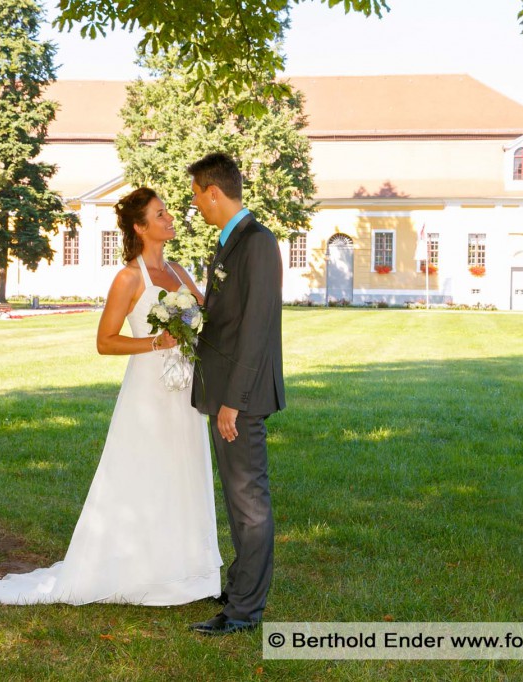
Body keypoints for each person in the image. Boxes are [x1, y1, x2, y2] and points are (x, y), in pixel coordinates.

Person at [0, 187, 222, 607]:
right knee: (144, 471)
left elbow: (206, 316)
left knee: (184, 471)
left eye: (168, 213)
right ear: (141, 227)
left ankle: (186, 571)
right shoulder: (129, 277)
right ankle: (135, 569)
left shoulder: (180, 271)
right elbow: (105, 342)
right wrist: (155, 344)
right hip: (148, 390)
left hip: (185, 388)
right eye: (160, 215)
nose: (170, 219)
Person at [187, 153, 285, 636]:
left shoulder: (257, 243)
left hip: (239, 397)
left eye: (195, 196)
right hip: (225, 389)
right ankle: (240, 588)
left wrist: (234, 399)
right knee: (237, 498)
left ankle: (245, 611)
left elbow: (257, 328)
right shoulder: (230, 243)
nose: (194, 206)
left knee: (249, 501)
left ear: (213, 192)